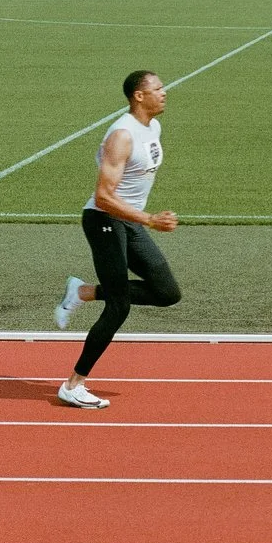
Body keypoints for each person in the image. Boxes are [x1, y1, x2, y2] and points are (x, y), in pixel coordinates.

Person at [50, 71, 183, 409]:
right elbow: (104, 197)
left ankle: (83, 292)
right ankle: (73, 384)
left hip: (128, 221)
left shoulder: (152, 127)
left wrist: (141, 218)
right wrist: (150, 219)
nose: (164, 93)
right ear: (139, 96)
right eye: (157, 88)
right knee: (120, 304)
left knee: (167, 292)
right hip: (104, 221)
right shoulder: (122, 136)